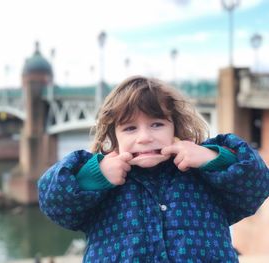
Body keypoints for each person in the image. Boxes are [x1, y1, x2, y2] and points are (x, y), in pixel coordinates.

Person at [38, 76, 269, 262]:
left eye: (157, 124)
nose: (145, 138)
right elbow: (53, 203)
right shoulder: (103, 182)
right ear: (113, 137)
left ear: (175, 127)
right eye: (130, 128)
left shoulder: (203, 173)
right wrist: (94, 177)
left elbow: (257, 186)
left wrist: (212, 158)